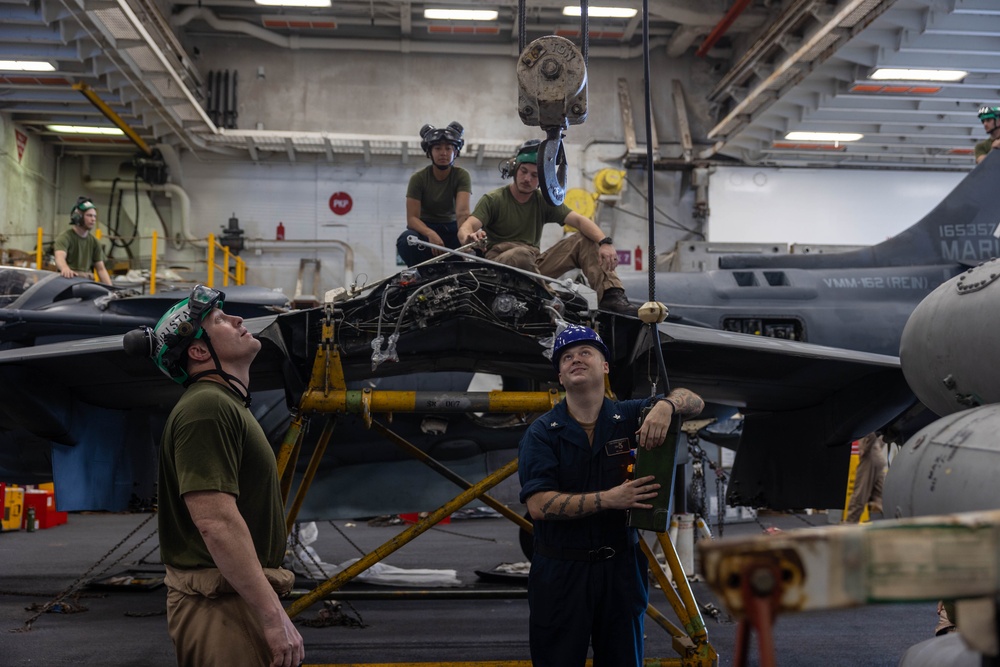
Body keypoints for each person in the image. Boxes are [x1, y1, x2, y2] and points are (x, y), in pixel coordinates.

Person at [123, 285, 304, 667]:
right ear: (199, 351)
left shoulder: (224, 405)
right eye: (220, 320)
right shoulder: (207, 407)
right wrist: (274, 618)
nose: (238, 319)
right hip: (219, 607)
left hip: (233, 598)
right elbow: (215, 523)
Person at [518, 324, 704, 666]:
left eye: (585, 352)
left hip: (619, 568)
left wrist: (666, 405)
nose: (576, 359)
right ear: (559, 376)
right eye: (567, 357)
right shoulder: (542, 433)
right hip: (561, 572)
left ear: (604, 366)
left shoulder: (630, 416)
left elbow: (695, 400)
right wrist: (611, 498)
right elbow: (539, 505)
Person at [457, 140, 636, 316]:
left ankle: (611, 296)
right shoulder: (494, 199)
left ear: (543, 179)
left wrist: (605, 242)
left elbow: (580, 221)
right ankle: (552, 298)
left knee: (586, 239)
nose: (527, 179)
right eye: (524, 171)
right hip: (501, 266)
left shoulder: (543, 200)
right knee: (520, 254)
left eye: (535, 175)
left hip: (534, 264)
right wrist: (470, 237)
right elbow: (467, 227)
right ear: (514, 170)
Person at [396, 121, 472, 266]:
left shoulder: (462, 175)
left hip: (453, 229)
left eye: (448, 148)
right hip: (425, 231)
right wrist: (430, 234)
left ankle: (463, 273)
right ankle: (421, 273)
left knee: (477, 242)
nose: (443, 153)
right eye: (437, 148)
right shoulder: (418, 178)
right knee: (406, 240)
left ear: (455, 152)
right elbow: (412, 219)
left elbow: (463, 213)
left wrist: (465, 240)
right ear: (429, 152)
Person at [53, 196, 112, 285]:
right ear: (77, 217)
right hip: (68, 281)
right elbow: (59, 257)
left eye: (95, 216)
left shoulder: (94, 242)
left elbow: (101, 269)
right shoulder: (65, 238)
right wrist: (65, 268)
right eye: (89, 215)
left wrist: (112, 290)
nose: (93, 219)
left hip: (86, 283)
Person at [844, 431, 888, 523]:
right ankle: (892, 523)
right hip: (876, 456)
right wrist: (877, 447)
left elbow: (873, 432)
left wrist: (864, 449)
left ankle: (849, 525)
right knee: (880, 498)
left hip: (869, 457)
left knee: (859, 494)